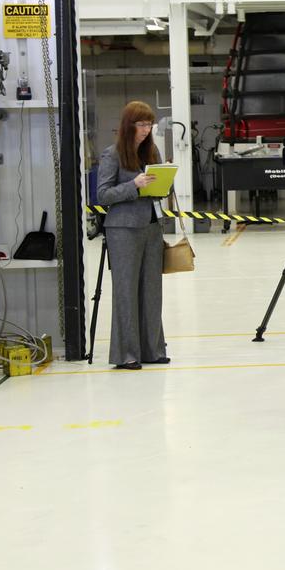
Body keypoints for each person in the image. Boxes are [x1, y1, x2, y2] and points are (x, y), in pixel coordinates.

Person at [95, 101, 172, 370]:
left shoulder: (153, 153)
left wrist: (165, 180)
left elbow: (159, 191)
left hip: (152, 226)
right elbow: (103, 195)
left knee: (152, 290)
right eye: (141, 124)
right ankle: (127, 353)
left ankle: (153, 348)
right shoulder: (112, 155)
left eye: (149, 124)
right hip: (123, 230)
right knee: (126, 291)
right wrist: (134, 185)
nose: (146, 129)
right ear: (129, 126)